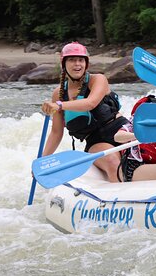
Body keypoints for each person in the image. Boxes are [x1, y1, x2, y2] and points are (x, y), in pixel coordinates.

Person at [41, 41, 128, 182]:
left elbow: (91, 103)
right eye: (72, 60)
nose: (77, 64)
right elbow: (56, 132)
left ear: (86, 63)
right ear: (64, 64)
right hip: (95, 141)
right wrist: (42, 162)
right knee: (112, 162)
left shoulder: (97, 79)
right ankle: (121, 200)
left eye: (81, 60)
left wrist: (60, 106)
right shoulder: (58, 94)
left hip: (121, 130)